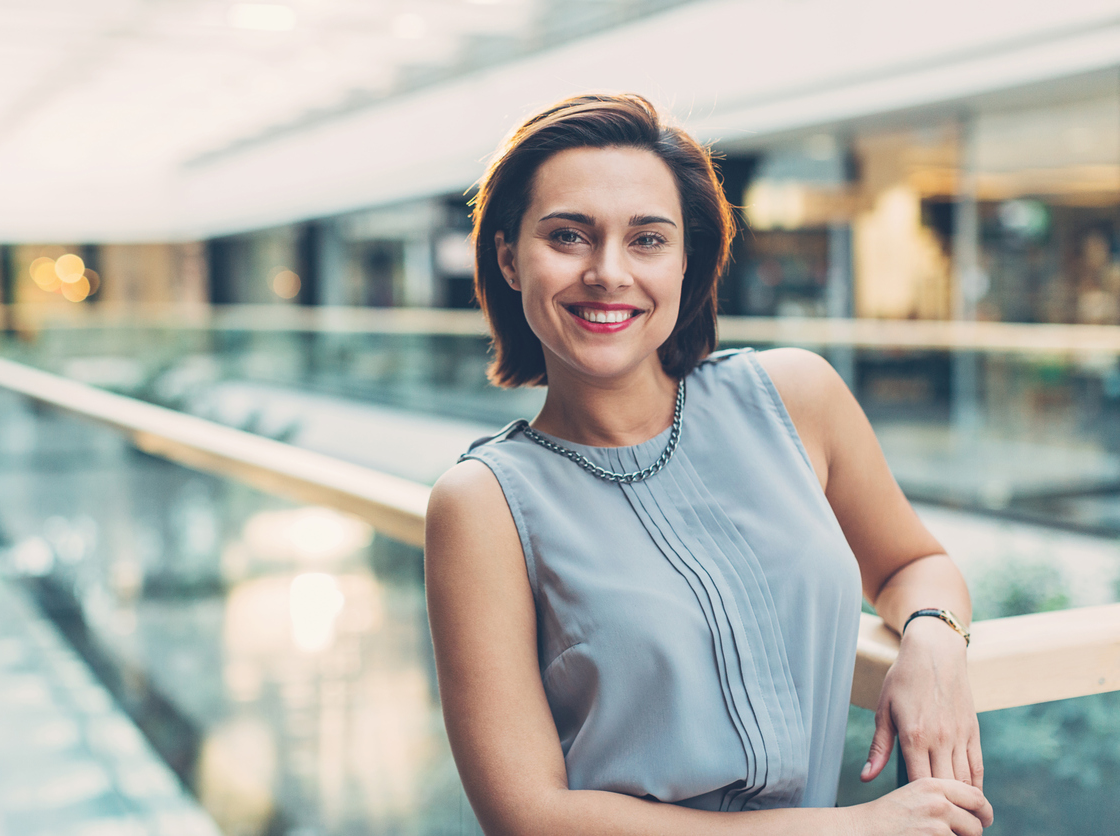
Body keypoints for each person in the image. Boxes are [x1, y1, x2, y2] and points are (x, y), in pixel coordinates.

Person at [424, 94, 992, 835]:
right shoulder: (482, 504)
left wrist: (934, 639)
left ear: (688, 261)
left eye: (648, 240)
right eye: (568, 236)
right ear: (507, 257)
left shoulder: (795, 397)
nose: (608, 272)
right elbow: (528, 814)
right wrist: (846, 830)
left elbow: (912, 564)